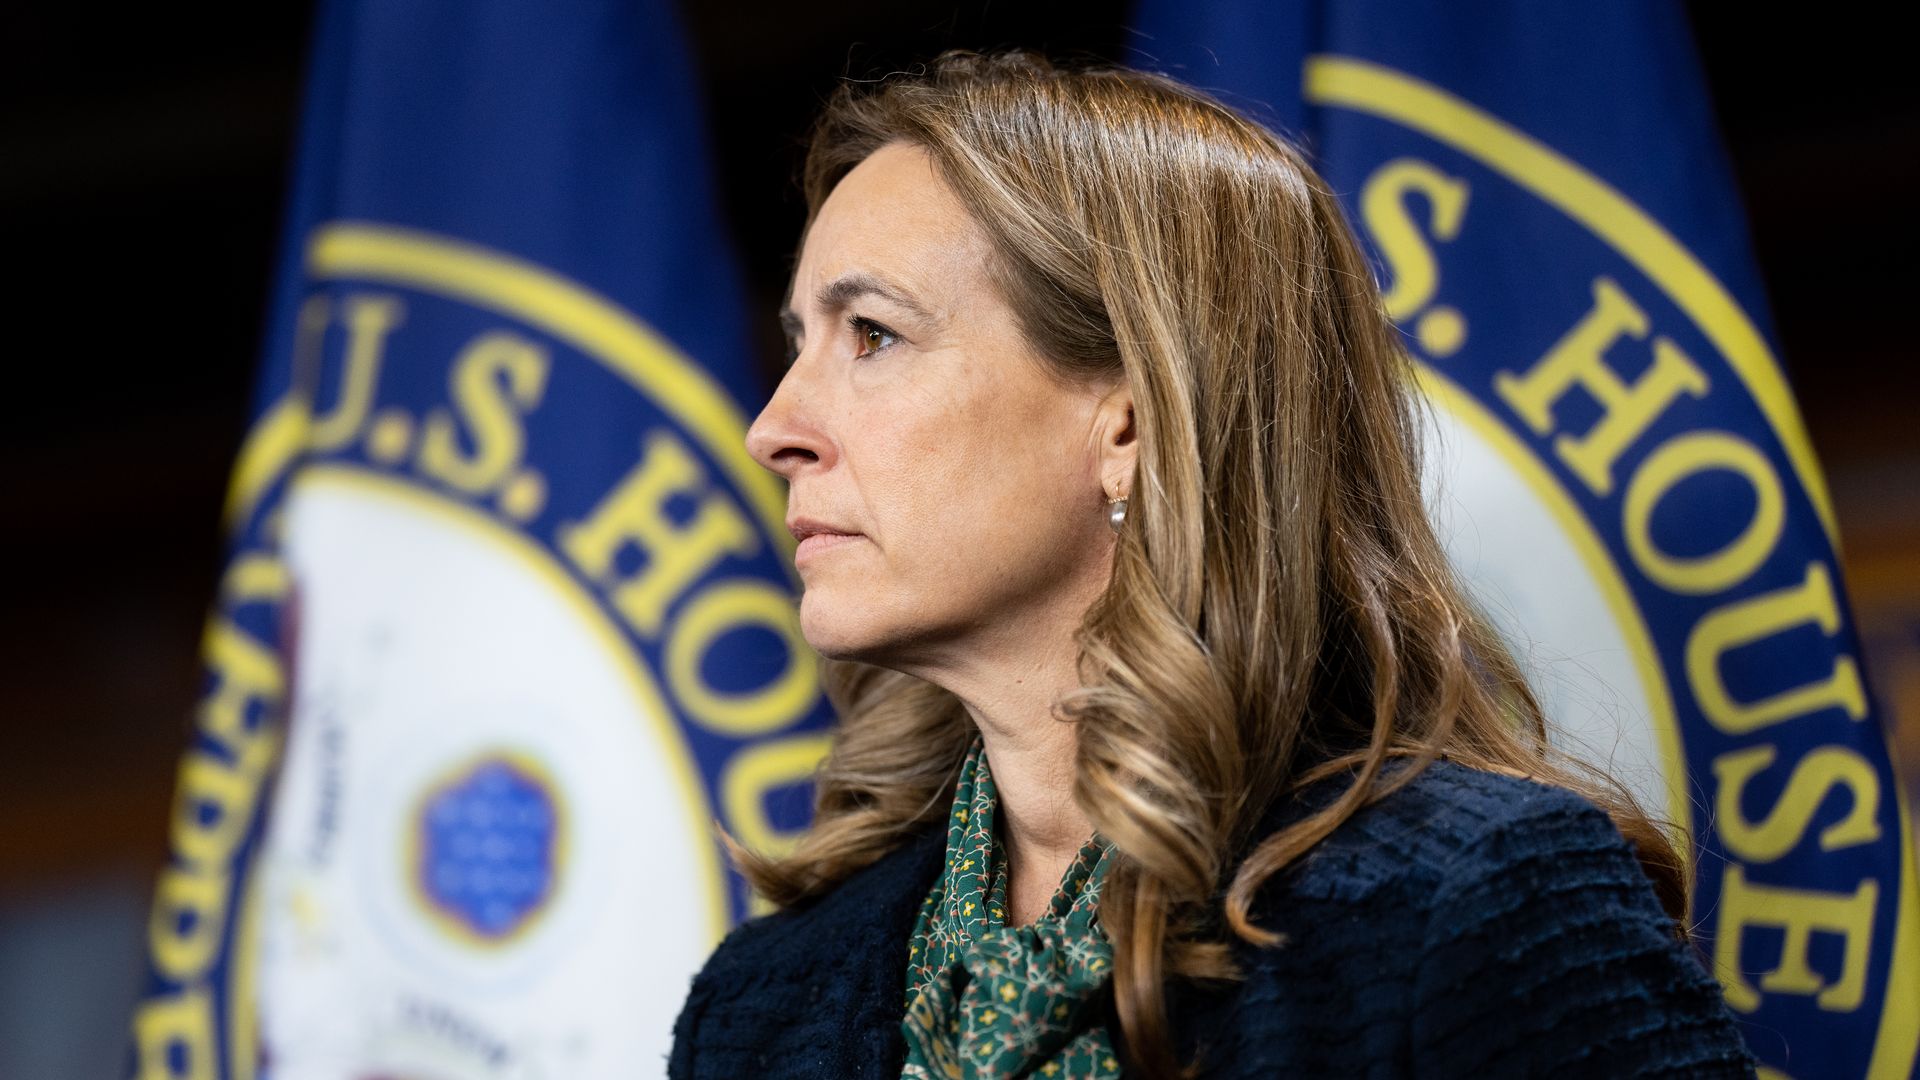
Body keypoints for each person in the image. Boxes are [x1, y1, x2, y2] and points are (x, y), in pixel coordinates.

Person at [669, 49, 1759, 1079]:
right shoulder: (761, 1001)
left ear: (1132, 425)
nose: (774, 427)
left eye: (870, 334)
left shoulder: (1487, 905)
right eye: (797, 338)